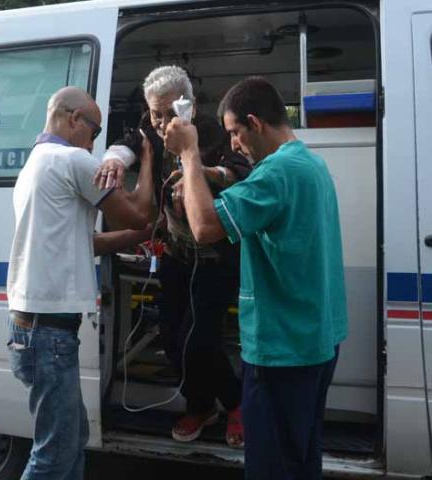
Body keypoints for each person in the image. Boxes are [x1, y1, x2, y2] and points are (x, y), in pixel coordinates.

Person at [164, 76, 348, 479]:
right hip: (317, 343)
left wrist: (190, 155)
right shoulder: (309, 164)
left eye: (234, 132)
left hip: (281, 351)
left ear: (254, 122)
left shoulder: (275, 174)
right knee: (300, 458)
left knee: (271, 468)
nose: (233, 144)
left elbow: (204, 227)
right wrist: (212, 175)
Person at [94, 66, 251, 447]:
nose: (161, 123)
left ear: (189, 105)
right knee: (170, 336)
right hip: (176, 254)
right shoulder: (150, 128)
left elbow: (241, 172)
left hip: (216, 256)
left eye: (169, 112)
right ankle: (201, 404)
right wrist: (116, 158)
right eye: (155, 113)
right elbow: (129, 141)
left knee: (200, 339)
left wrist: (201, 170)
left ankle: (235, 404)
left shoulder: (213, 133)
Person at [7, 86, 154, 480]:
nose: (95, 142)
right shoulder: (71, 159)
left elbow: (83, 241)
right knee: (54, 454)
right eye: (94, 130)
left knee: (72, 443)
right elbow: (138, 214)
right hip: (49, 333)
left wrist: (136, 239)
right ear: (73, 119)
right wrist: (149, 157)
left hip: (31, 329)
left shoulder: (35, 165)